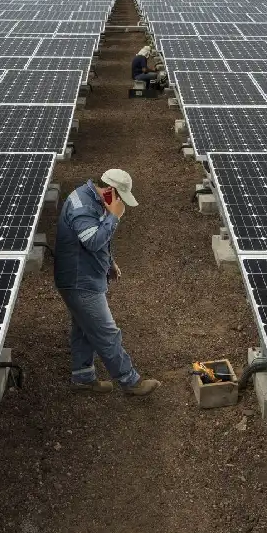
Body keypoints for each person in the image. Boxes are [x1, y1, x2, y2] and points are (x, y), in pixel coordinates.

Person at [53, 168, 161, 397]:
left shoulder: (91, 198)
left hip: (84, 275)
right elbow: (92, 241)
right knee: (107, 332)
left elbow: (95, 238)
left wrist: (109, 262)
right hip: (79, 280)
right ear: (110, 191)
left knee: (84, 328)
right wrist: (114, 216)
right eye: (120, 197)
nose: (120, 203)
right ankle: (130, 381)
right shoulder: (82, 207)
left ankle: (83, 377)